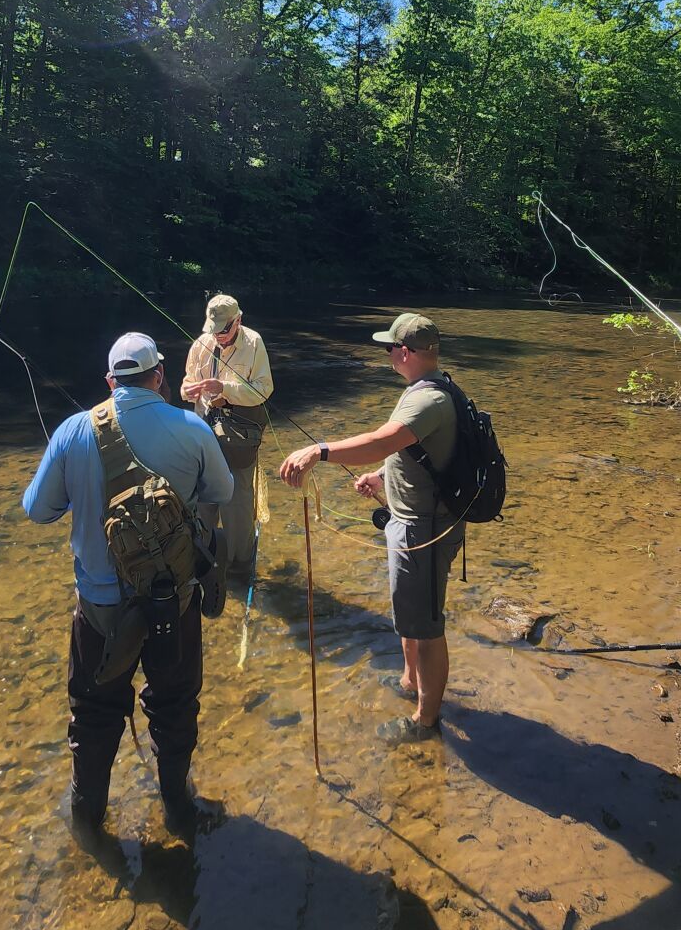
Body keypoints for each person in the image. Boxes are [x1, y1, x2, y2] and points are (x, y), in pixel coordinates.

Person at [23, 332, 234, 833]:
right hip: (172, 604)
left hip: (98, 609)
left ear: (109, 380)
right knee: (175, 704)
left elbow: (37, 511)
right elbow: (221, 490)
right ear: (158, 376)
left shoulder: (74, 430)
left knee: (93, 712)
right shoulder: (191, 427)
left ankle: (87, 818)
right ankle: (179, 810)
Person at [278, 312, 462, 741]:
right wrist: (383, 477)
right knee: (410, 616)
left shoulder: (426, 399)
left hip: (424, 531)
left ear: (404, 352)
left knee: (428, 627)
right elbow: (410, 449)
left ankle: (426, 720)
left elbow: (382, 439)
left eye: (388, 349)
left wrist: (319, 451)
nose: (387, 356)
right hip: (413, 522)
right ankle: (409, 682)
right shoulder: (430, 388)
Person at [182, 293, 273, 570]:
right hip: (203, 434)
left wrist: (226, 390)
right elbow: (186, 387)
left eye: (224, 329)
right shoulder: (200, 344)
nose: (219, 336)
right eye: (214, 330)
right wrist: (189, 391)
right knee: (203, 499)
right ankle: (205, 561)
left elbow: (264, 390)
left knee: (237, 502)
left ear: (238, 320)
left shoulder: (254, 342)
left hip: (239, 437)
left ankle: (239, 564)